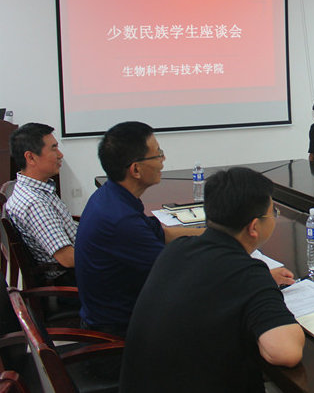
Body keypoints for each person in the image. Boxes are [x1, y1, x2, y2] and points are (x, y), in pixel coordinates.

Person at [119, 167, 303, 392]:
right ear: (254, 227)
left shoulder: (178, 249)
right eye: (273, 212)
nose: (274, 217)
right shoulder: (248, 273)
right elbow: (286, 352)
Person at [75, 121, 203, 339]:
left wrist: (218, 233)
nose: (163, 160)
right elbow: (179, 273)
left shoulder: (112, 196)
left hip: (121, 314)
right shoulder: (121, 221)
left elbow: (163, 234)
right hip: (120, 335)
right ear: (135, 169)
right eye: (158, 154)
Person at [4, 123, 77, 284]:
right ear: (31, 157)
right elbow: (67, 258)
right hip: (72, 279)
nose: (60, 155)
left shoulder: (39, 188)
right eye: (53, 148)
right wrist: (108, 254)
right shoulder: (34, 203)